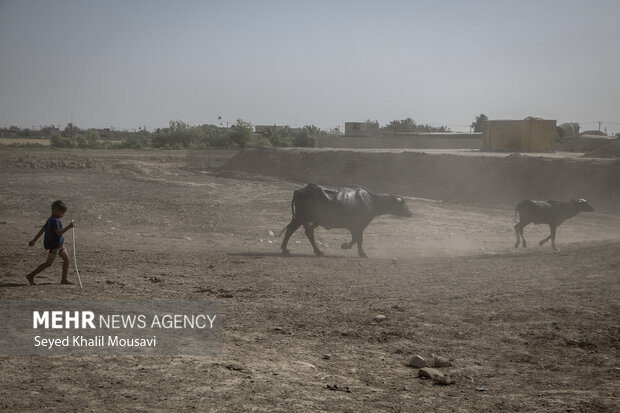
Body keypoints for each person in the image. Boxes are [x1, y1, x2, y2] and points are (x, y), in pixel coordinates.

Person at [27, 200, 75, 285]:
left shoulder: (50, 220)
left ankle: (64, 279)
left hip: (59, 244)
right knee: (48, 263)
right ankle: (31, 275)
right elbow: (59, 232)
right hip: (54, 245)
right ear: (56, 211)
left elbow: (42, 229)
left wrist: (34, 240)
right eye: (62, 213)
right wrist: (69, 227)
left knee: (67, 260)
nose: (63, 215)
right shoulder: (55, 221)